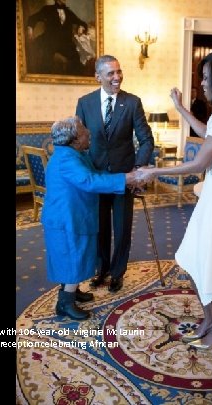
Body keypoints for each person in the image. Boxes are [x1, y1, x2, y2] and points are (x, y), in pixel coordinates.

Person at [135, 50, 212, 349]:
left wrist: (153, 171)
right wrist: (179, 108)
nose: (202, 84)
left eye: (205, 77)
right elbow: (209, 134)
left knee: (211, 263)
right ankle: (211, 321)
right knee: (197, 258)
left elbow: (200, 163)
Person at [41, 116, 139, 320]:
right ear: (75, 139)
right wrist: (126, 179)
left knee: (74, 257)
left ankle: (71, 292)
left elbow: (95, 173)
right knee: (72, 258)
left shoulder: (73, 154)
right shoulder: (67, 159)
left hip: (74, 216)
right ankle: (65, 304)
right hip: (66, 220)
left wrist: (125, 178)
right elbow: (89, 180)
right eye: (84, 129)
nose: (89, 132)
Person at [75, 55, 155, 293]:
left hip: (124, 179)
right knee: (98, 228)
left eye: (119, 72)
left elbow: (146, 140)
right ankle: (102, 270)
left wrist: (138, 169)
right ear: (98, 77)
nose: (117, 77)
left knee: (122, 230)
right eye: (110, 73)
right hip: (97, 179)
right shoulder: (85, 102)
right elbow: (79, 141)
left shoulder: (132, 102)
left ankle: (118, 273)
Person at [26, 0, 88, 75]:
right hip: (50, 41)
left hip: (65, 43)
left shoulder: (68, 12)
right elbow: (33, 18)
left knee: (76, 59)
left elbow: (81, 22)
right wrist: (30, 29)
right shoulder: (48, 9)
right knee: (45, 60)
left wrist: (81, 27)